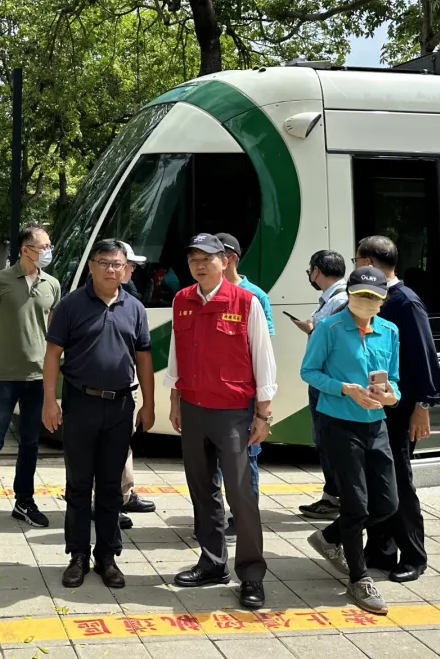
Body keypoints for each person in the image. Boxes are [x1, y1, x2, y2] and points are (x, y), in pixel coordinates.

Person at [166, 233, 276, 610]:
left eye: (207, 258)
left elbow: (263, 359)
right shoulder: (182, 300)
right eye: (193, 258)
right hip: (194, 408)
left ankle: (251, 575)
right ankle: (212, 563)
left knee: (241, 495)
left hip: (234, 413)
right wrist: (175, 398)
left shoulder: (247, 302)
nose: (199, 264)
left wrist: (264, 413)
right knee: (201, 490)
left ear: (225, 260)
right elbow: (176, 355)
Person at [42, 239, 155, 589]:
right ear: (90, 265)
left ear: (126, 269)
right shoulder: (71, 306)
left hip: (121, 406)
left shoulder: (134, 308)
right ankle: (77, 554)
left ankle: (107, 556)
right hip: (81, 404)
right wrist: (50, 400)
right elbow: (52, 356)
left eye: (117, 264)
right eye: (104, 263)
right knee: (78, 484)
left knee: (110, 487)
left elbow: (144, 359)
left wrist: (149, 404)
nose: (110, 269)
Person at [301, 266, 401, 615]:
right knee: (356, 505)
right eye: (360, 295)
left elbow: (396, 381)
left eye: (374, 298)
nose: (366, 302)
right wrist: (346, 389)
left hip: (377, 425)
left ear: (383, 300)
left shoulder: (389, 331)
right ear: (349, 295)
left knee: (387, 504)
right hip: (339, 424)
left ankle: (329, 537)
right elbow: (309, 372)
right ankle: (359, 578)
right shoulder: (329, 328)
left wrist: (392, 397)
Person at [354, 236, 440, 581]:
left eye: (358, 260)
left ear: (370, 263)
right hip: (374, 407)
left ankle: (414, 555)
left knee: (398, 483)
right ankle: (381, 549)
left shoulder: (404, 302)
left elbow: (424, 358)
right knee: (377, 481)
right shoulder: (372, 299)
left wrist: (423, 405)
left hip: (399, 408)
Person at [0, 225, 62, 535]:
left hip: (38, 378)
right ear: (25, 249)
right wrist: (0, 356)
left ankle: (24, 502)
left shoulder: (52, 284)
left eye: (48, 245)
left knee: (31, 444)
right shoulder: (0, 281)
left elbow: (52, 330)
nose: (47, 251)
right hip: (6, 378)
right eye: (43, 245)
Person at [216, 232, 273, 541]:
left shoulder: (255, 296)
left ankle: (244, 517)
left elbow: (264, 349)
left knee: (246, 458)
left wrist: (262, 403)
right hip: (213, 397)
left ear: (230, 259)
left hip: (244, 396)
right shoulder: (200, 293)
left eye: (213, 256)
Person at [297, 250, 350, 520]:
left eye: (310, 270)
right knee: (323, 441)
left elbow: (331, 338)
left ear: (317, 270)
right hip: (324, 381)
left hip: (327, 382)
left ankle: (337, 499)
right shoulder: (330, 299)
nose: (310, 275)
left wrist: (311, 329)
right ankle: (333, 496)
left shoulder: (340, 300)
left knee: (328, 441)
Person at [117, 242, 156, 529]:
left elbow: (143, 353)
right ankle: (107, 501)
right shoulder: (88, 301)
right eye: (128, 264)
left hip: (126, 387)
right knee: (106, 450)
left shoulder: (132, 299)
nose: (131, 269)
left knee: (122, 445)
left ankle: (124, 492)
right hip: (99, 393)